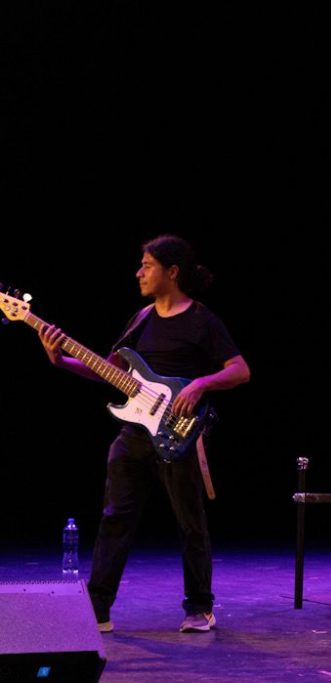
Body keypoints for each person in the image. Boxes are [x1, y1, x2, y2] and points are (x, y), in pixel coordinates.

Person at [37, 235, 251, 633]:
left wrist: (200, 384)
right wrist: (62, 360)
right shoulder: (141, 319)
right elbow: (110, 370)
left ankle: (199, 608)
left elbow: (240, 370)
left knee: (190, 523)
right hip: (134, 433)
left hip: (180, 433)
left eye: (147, 265)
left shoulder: (202, 319)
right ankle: (98, 611)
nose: (139, 272)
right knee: (114, 518)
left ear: (172, 272)